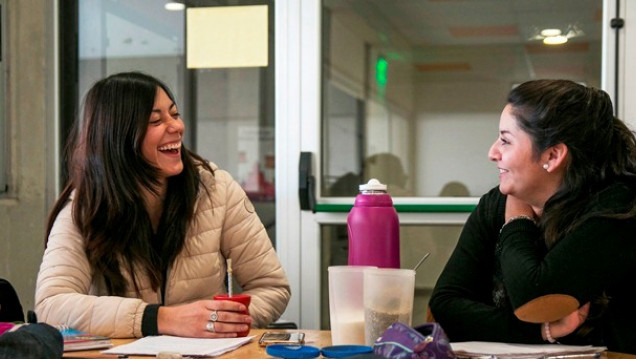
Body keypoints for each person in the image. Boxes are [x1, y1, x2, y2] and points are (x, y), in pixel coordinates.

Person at [35, 72, 291, 339]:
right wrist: (159, 319)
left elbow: (271, 287)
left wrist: (223, 323)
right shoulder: (86, 205)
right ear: (118, 137)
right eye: (156, 120)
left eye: (174, 114)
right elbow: (50, 305)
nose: (177, 127)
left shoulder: (216, 189)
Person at [429, 79, 636, 353]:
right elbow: (445, 306)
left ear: (552, 155)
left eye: (505, 141)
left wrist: (517, 218)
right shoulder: (495, 202)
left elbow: (536, 298)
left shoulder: (620, 207)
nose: (492, 153)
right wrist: (542, 331)